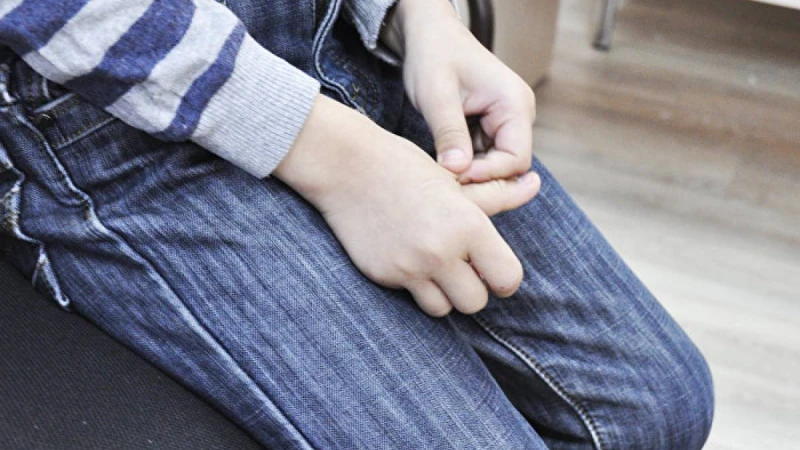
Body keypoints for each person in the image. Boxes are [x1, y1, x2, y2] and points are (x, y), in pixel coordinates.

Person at [0, 0, 714, 448]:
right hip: (114, 126)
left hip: (326, 36)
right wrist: (343, 163)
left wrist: (420, 19)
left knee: (658, 409)